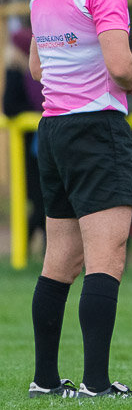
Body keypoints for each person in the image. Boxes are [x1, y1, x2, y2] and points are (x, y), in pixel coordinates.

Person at [27, 0, 132, 398]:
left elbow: (37, 66)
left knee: (60, 260)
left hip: (53, 129)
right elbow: (120, 66)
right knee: (107, 256)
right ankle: (97, 383)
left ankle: (46, 380)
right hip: (96, 127)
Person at [3, 25, 46, 258]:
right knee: (40, 203)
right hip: (29, 147)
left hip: (40, 143)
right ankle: (25, 251)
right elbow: (10, 107)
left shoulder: (34, 73)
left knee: (45, 203)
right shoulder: (17, 72)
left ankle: (31, 251)